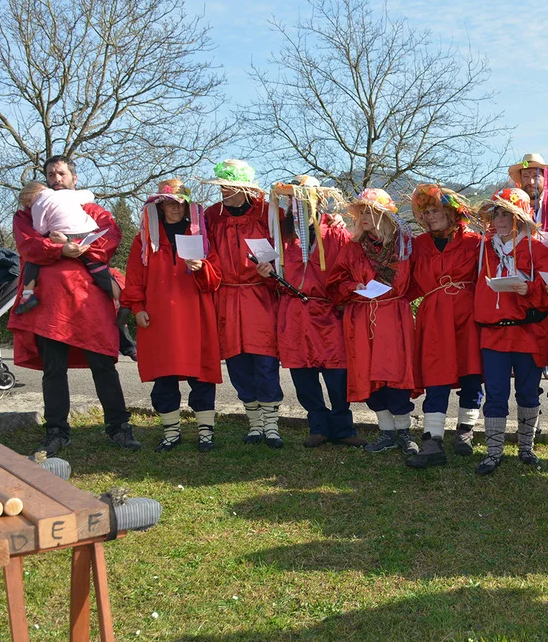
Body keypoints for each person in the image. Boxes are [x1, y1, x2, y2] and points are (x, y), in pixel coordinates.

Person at [9, 155, 139, 456]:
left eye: (62, 173)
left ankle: (119, 427)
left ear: (74, 178)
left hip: (88, 300)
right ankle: (56, 431)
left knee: (103, 365)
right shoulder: (28, 211)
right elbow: (27, 245)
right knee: (53, 369)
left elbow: (110, 239)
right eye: (51, 174)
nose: (57, 179)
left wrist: (71, 246)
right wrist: (59, 249)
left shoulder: (92, 209)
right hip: (49, 304)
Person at [262, 176, 365, 449]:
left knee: (338, 374)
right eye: (294, 200)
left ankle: (343, 427)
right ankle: (317, 426)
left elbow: (351, 267)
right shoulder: (280, 235)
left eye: (305, 200)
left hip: (328, 312)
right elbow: (274, 279)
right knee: (302, 375)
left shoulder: (336, 233)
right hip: (293, 313)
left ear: (318, 201)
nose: (299, 205)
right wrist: (267, 273)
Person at [119, 180, 222, 451]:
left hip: (196, 315)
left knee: (201, 374)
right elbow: (134, 278)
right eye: (169, 203)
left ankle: (205, 432)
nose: (175, 208)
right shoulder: (145, 238)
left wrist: (202, 268)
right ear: (160, 206)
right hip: (159, 317)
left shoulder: (200, 235)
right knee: (163, 375)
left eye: (180, 203)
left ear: (187, 206)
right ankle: (171, 432)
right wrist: (138, 308)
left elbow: (215, 279)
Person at [327, 188, 419, 455]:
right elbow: (334, 283)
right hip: (361, 318)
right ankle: (386, 431)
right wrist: (351, 286)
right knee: (368, 374)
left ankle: (404, 431)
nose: (363, 217)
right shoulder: (352, 248)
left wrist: (399, 299)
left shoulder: (405, 246)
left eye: (369, 212)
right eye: (361, 213)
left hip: (394, 317)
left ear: (384, 215)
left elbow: (418, 280)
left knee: (396, 373)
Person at [473, 187, 548, 475]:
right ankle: (493, 452)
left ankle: (526, 448)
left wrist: (529, 289)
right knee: (495, 393)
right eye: (496, 214)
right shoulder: (483, 249)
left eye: (505, 214)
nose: (499, 220)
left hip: (528, 333)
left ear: (519, 219)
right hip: (493, 333)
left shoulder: (538, 250)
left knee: (528, 392)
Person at [204, 159, 285, 449]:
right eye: (222, 186)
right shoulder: (211, 216)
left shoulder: (267, 213)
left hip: (259, 296)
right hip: (226, 297)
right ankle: (255, 424)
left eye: (230, 186)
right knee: (236, 364)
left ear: (244, 188)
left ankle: (272, 425)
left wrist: (272, 272)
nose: (224, 190)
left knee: (265, 361)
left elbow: (289, 248)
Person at [405, 183, 483, 468]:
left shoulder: (476, 242)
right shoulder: (418, 245)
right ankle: (432, 438)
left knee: (471, 373)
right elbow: (408, 284)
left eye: (435, 210)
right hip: (435, 317)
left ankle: (465, 430)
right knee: (435, 373)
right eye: (425, 212)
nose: (429, 216)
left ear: (452, 212)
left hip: (468, 315)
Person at [509, 153, 548, 436]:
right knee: (528, 360)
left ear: (545, 178)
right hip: (524, 294)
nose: (530, 180)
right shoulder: (512, 205)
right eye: (525, 176)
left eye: (536, 175)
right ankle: (530, 419)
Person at [14, 180, 119, 314]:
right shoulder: (65, 195)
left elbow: (40, 230)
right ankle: (120, 301)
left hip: (64, 236)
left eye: (28, 203)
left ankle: (27, 295)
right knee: (99, 269)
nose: (57, 179)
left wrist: (60, 242)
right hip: (89, 231)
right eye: (51, 175)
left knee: (32, 261)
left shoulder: (37, 205)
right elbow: (88, 195)